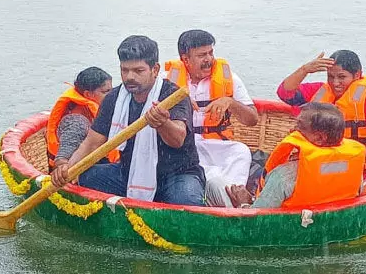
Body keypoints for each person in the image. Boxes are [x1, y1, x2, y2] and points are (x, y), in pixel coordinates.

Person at [51, 35, 205, 206]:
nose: (130, 77)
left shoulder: (173, 96)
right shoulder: (114, 99)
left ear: (155, 69)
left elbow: (177, 140)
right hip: (129, 172)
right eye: (125, 70)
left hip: (177, 175)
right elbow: (92, 143)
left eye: (138, 71)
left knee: (187, 201)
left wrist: (163, 124)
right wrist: (68, 169)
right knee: (85, 176)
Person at [164, 29, 258, 206]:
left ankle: (231, 192)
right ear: (185, 59)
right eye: (201, 55)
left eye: (210, 53)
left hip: (216, 144)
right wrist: (177, 101)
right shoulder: (166, 81)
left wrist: (230, 102)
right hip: (184, 147)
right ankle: (227, 198)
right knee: (212, 173)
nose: (208, 59)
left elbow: (253, 120)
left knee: (241, 151)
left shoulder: (230, 79)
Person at [225, 103, 365, 208]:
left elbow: (255, 221)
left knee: (216, 185)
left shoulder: (283, 176)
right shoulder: (354, 169)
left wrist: (244, 203)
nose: (292, 129)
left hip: (284, 230)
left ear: (319, 138)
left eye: (299, 125)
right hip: (324, 225)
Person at [276, 50, 366, 171]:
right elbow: (285, 93)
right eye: (330, 77)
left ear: (357, 75)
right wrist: (304, 70)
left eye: (342, 77)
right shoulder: (319, 90)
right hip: (315, 159)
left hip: (352, 165)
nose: (335, 83)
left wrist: (344, 154)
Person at [46, 67, 114, 172]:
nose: (112, 96)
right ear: (88, 95)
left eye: (112, 90)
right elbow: (61, 162)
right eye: (106, 92)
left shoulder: (90, 111)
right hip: (84, 176)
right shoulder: (77, 123)